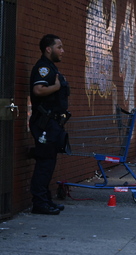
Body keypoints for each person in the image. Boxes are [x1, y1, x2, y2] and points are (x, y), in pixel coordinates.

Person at [29, 34, 70, 215]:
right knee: (44, 163)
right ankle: (39, 203)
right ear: (48, 49)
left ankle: (46, 200)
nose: (63, 50)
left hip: (53, 124)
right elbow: (38, 90)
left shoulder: (52, 67)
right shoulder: (43, 68)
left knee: (49, 162)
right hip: (44, 124)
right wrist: (56, 87)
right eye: (59, 47)